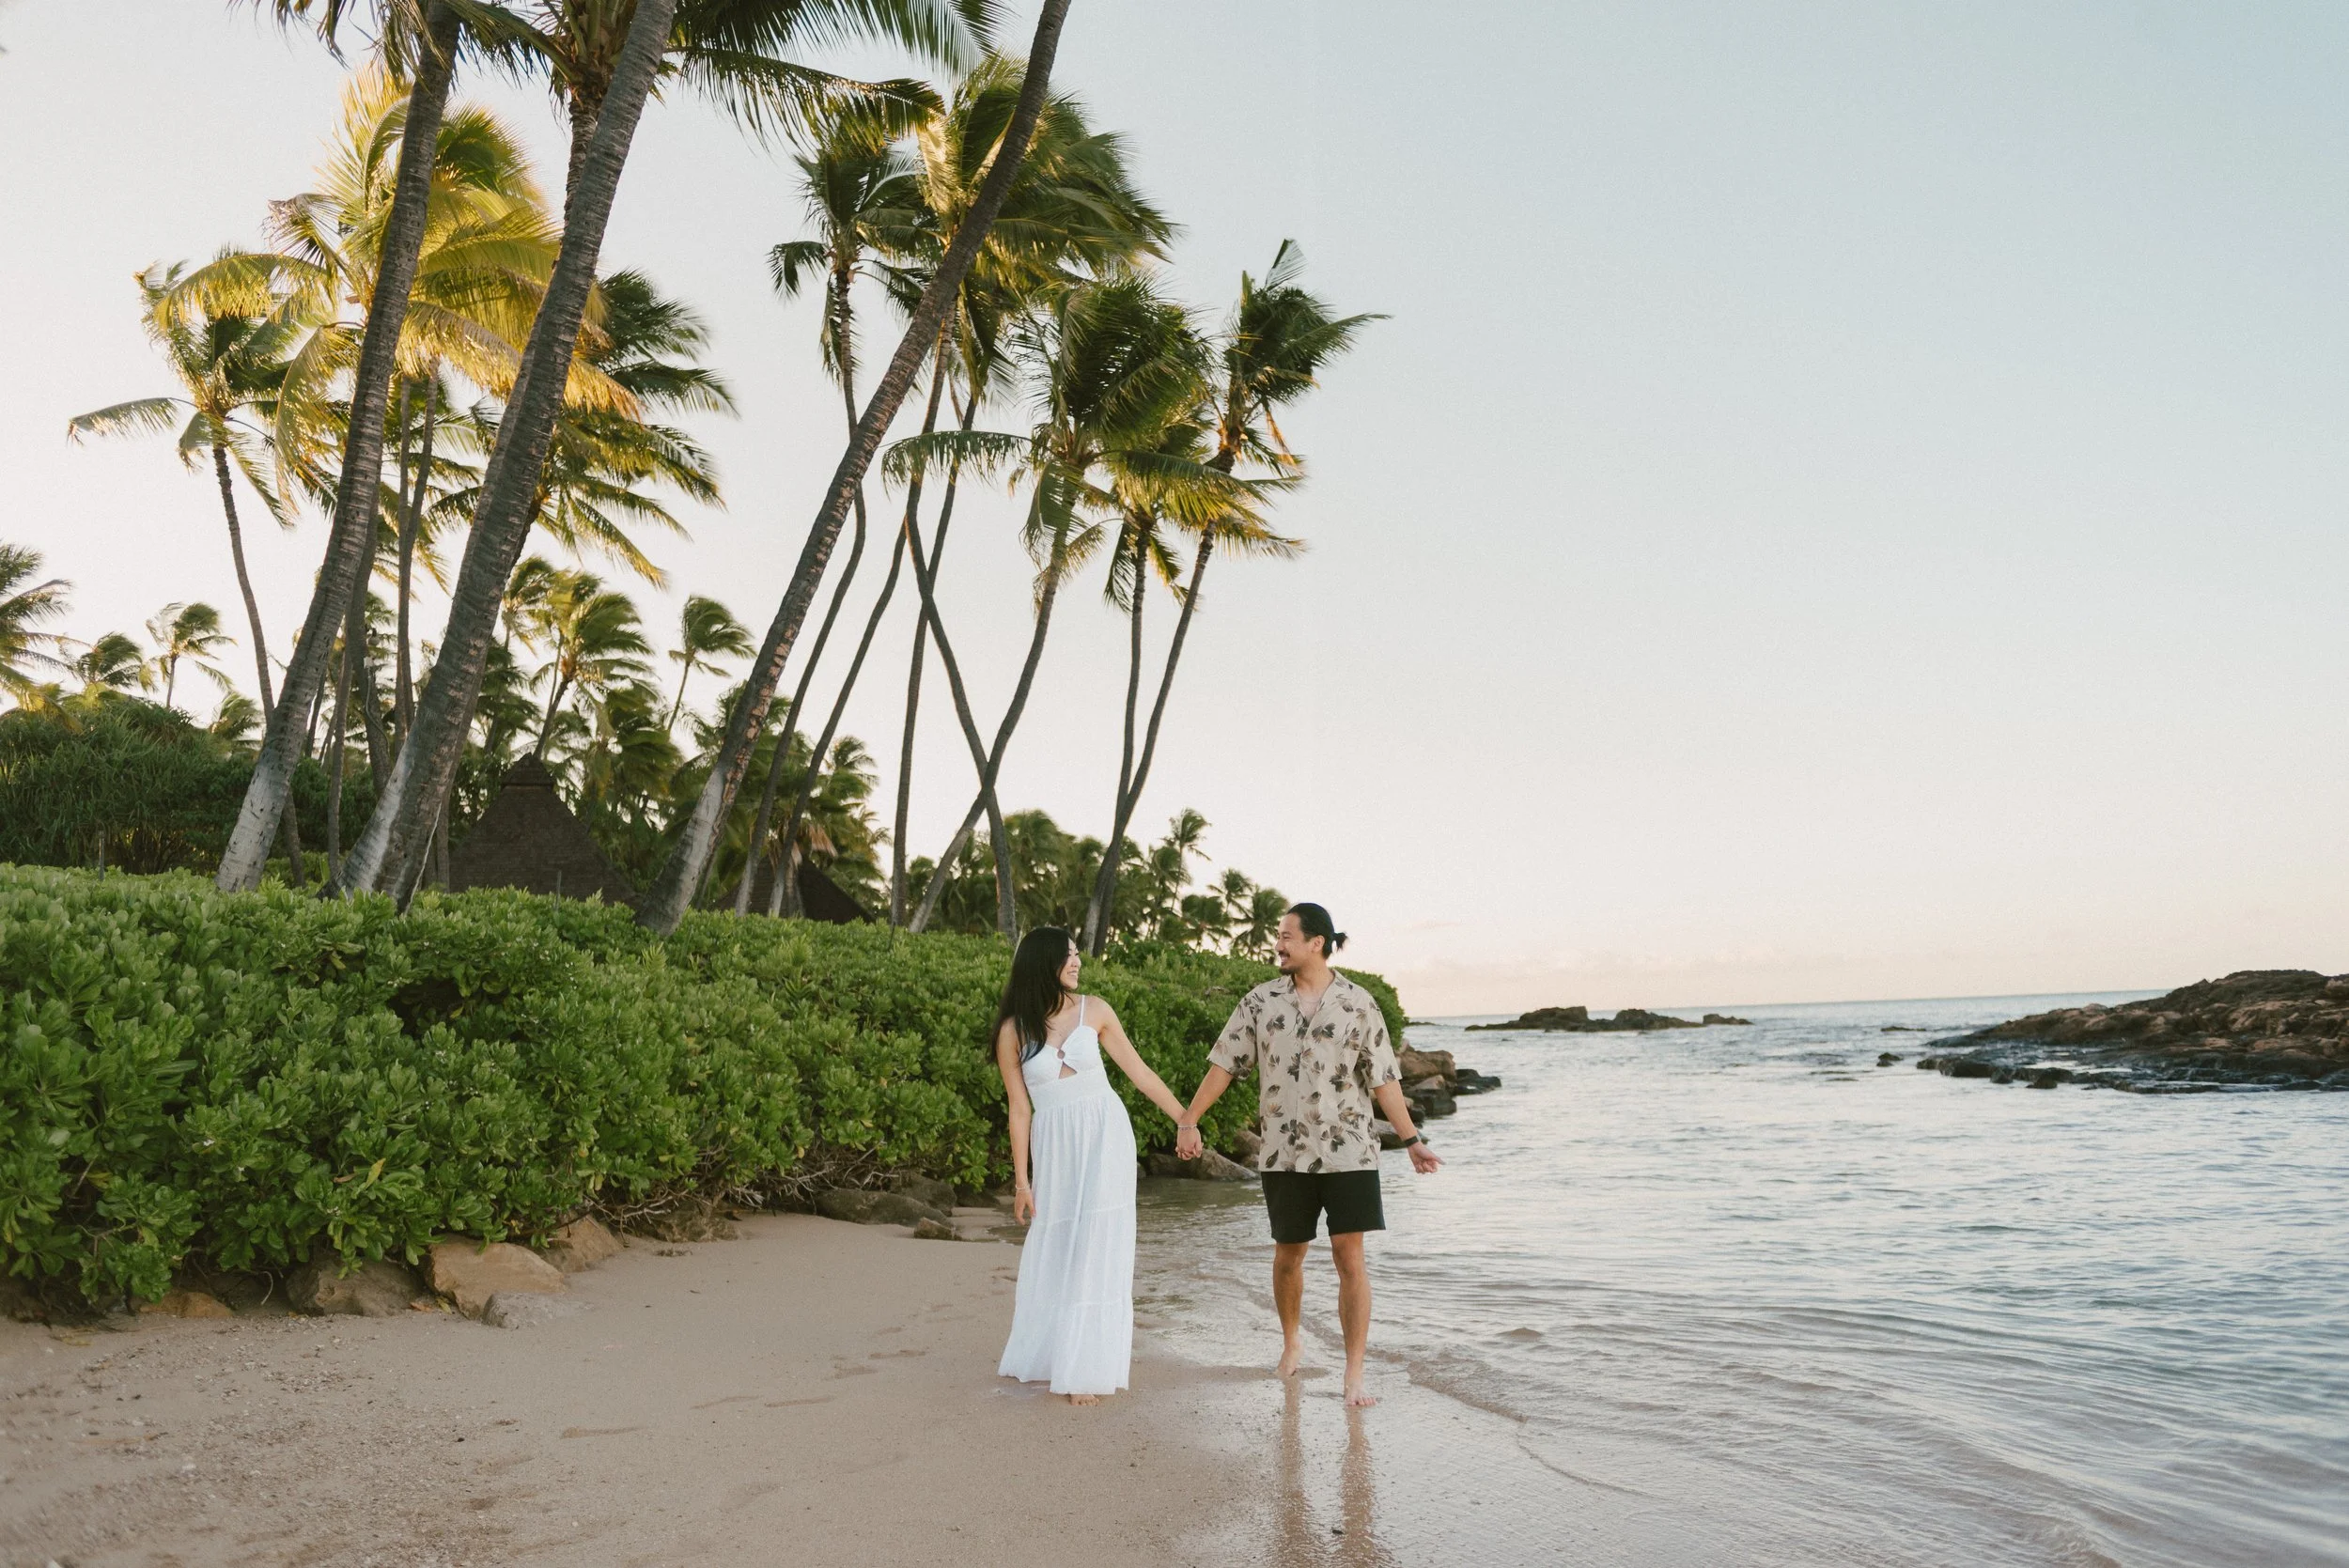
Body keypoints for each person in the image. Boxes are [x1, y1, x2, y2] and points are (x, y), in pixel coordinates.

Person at [1174, 902, 1442, 1407]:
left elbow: (1384, 1079)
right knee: (1288, 1256)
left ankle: (1354, 1372)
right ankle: (1292, 1342)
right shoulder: (1260, 1002)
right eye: (1278, 936)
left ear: (1315, 942)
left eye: (1286, 936)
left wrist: (1411, 1141)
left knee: (1350, 1258)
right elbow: (1224, 1065)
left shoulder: (1359, 1004)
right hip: (1283, 1155)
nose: (1277, 944)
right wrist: (1190, 1119)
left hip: (1350, 1154)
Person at [994, 925, 1191, 1405]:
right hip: (1055, 1143)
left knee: (1098, 1241)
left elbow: (1139, 1073)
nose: (1077, 962)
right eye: (1068, 955)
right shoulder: (1013, 1030)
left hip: (1106, 1134)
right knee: (1059, 1240)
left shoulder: (1096, 1010)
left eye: (1078, 954)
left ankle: (1085, 1369)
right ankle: (1050, 1356)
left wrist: (1184, 1119)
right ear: (1044, 963)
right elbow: (1019, 1109)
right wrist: (1022, 1183)